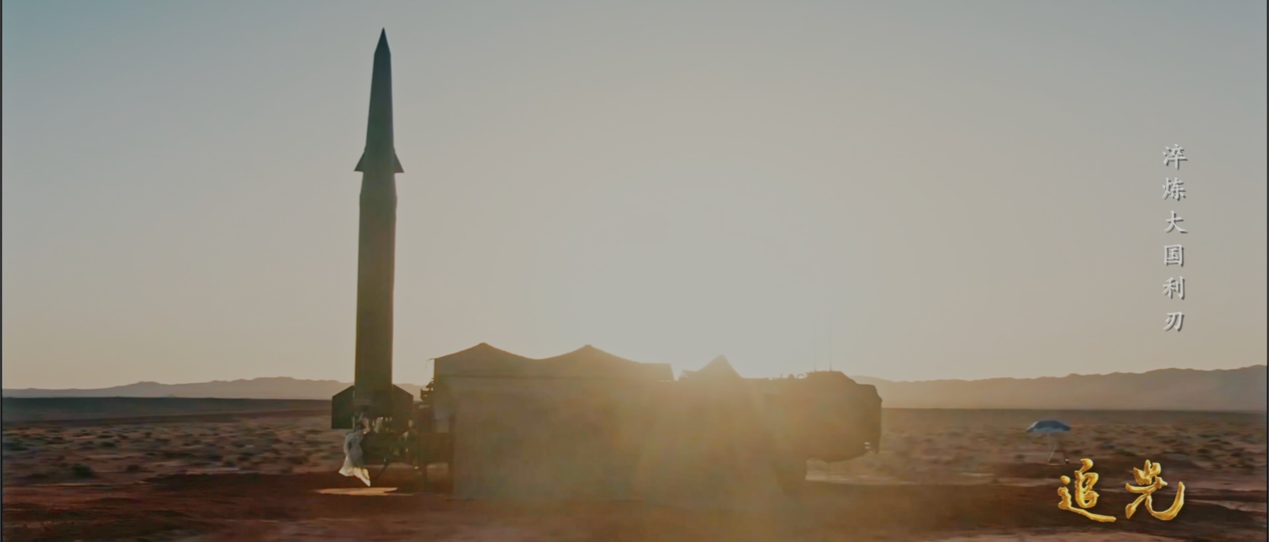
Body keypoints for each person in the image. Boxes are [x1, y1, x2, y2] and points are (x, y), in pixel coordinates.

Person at [339, 416, 373, 486]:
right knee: (360, 467)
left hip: (354, 452)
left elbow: (346, 447)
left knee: (359, 467)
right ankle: (366, 481)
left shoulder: (352, 435)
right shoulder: (356, 434)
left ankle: (366, 480)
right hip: (356, 452)